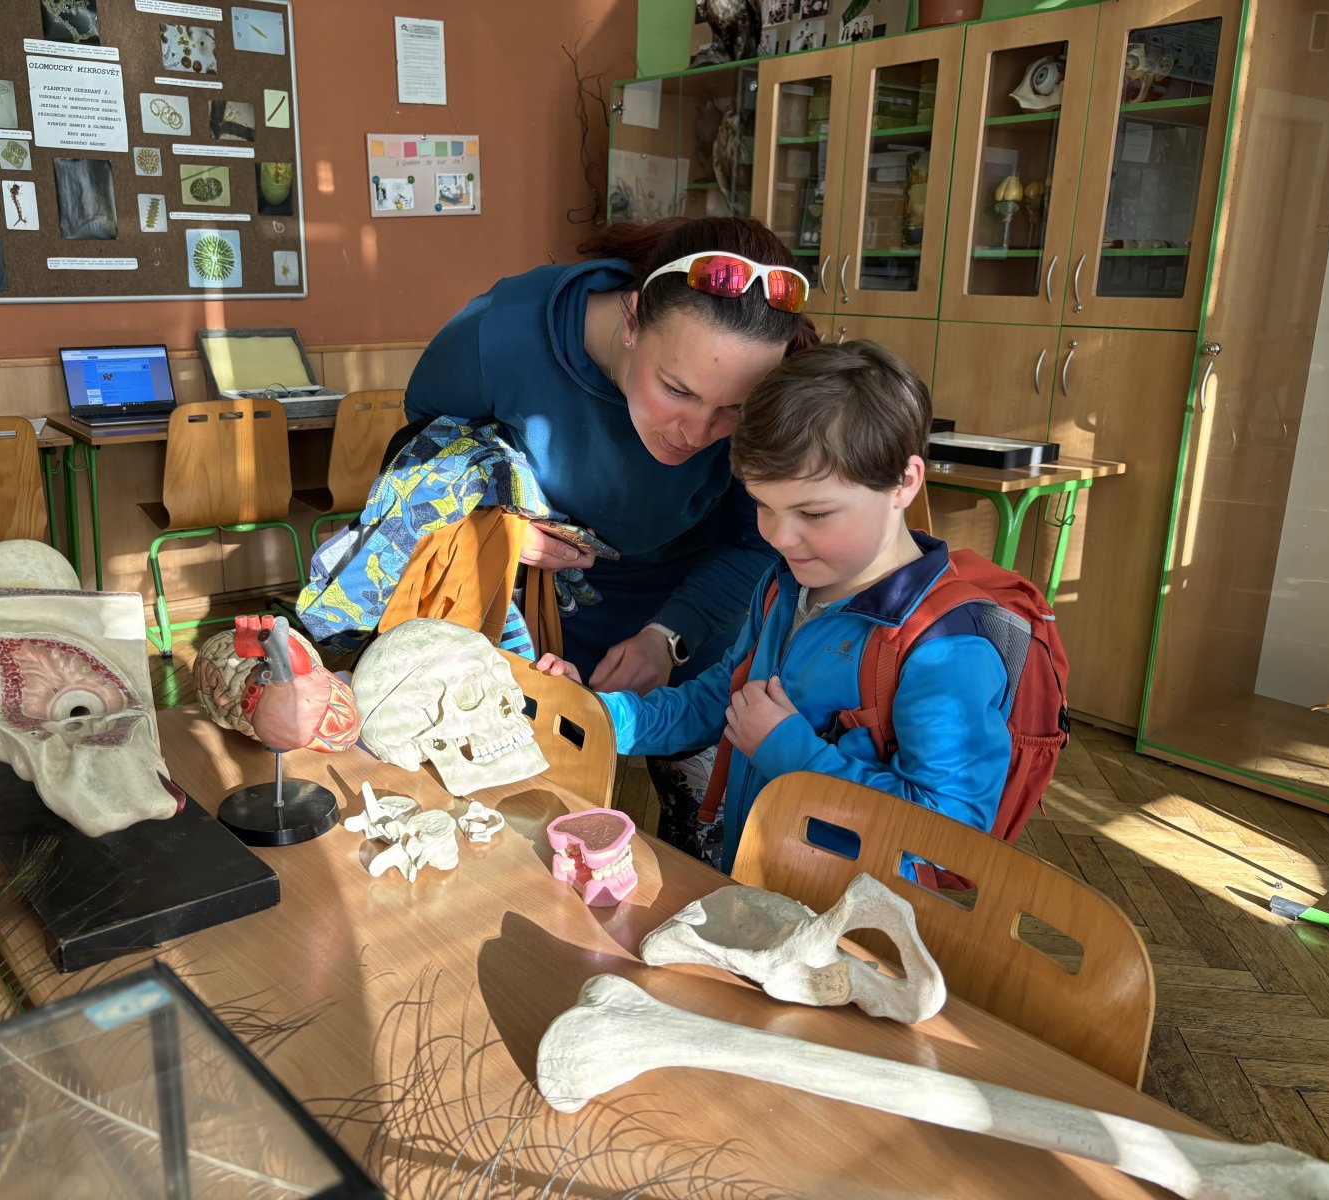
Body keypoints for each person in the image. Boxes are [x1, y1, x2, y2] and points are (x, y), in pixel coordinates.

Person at [537, 343, 1014, 872]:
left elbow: (948, 837)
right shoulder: (785, 585)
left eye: (814, 513)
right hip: (763, 881)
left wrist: (787, 750)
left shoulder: (945, 649)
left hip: (853, 914)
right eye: (764, 505)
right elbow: (723, 699)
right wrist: (594, 713)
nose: (781, 537)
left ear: (904, 483)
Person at [404, 217, 815, 697]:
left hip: (696, 620)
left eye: (736, 408)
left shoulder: (785, 387)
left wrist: (670, 638)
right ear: (633, 321)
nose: (698, 433)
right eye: (677, 390)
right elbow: (418, 459)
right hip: (533, 620)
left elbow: (755, 541)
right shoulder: (499, 335)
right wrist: (492, 526)